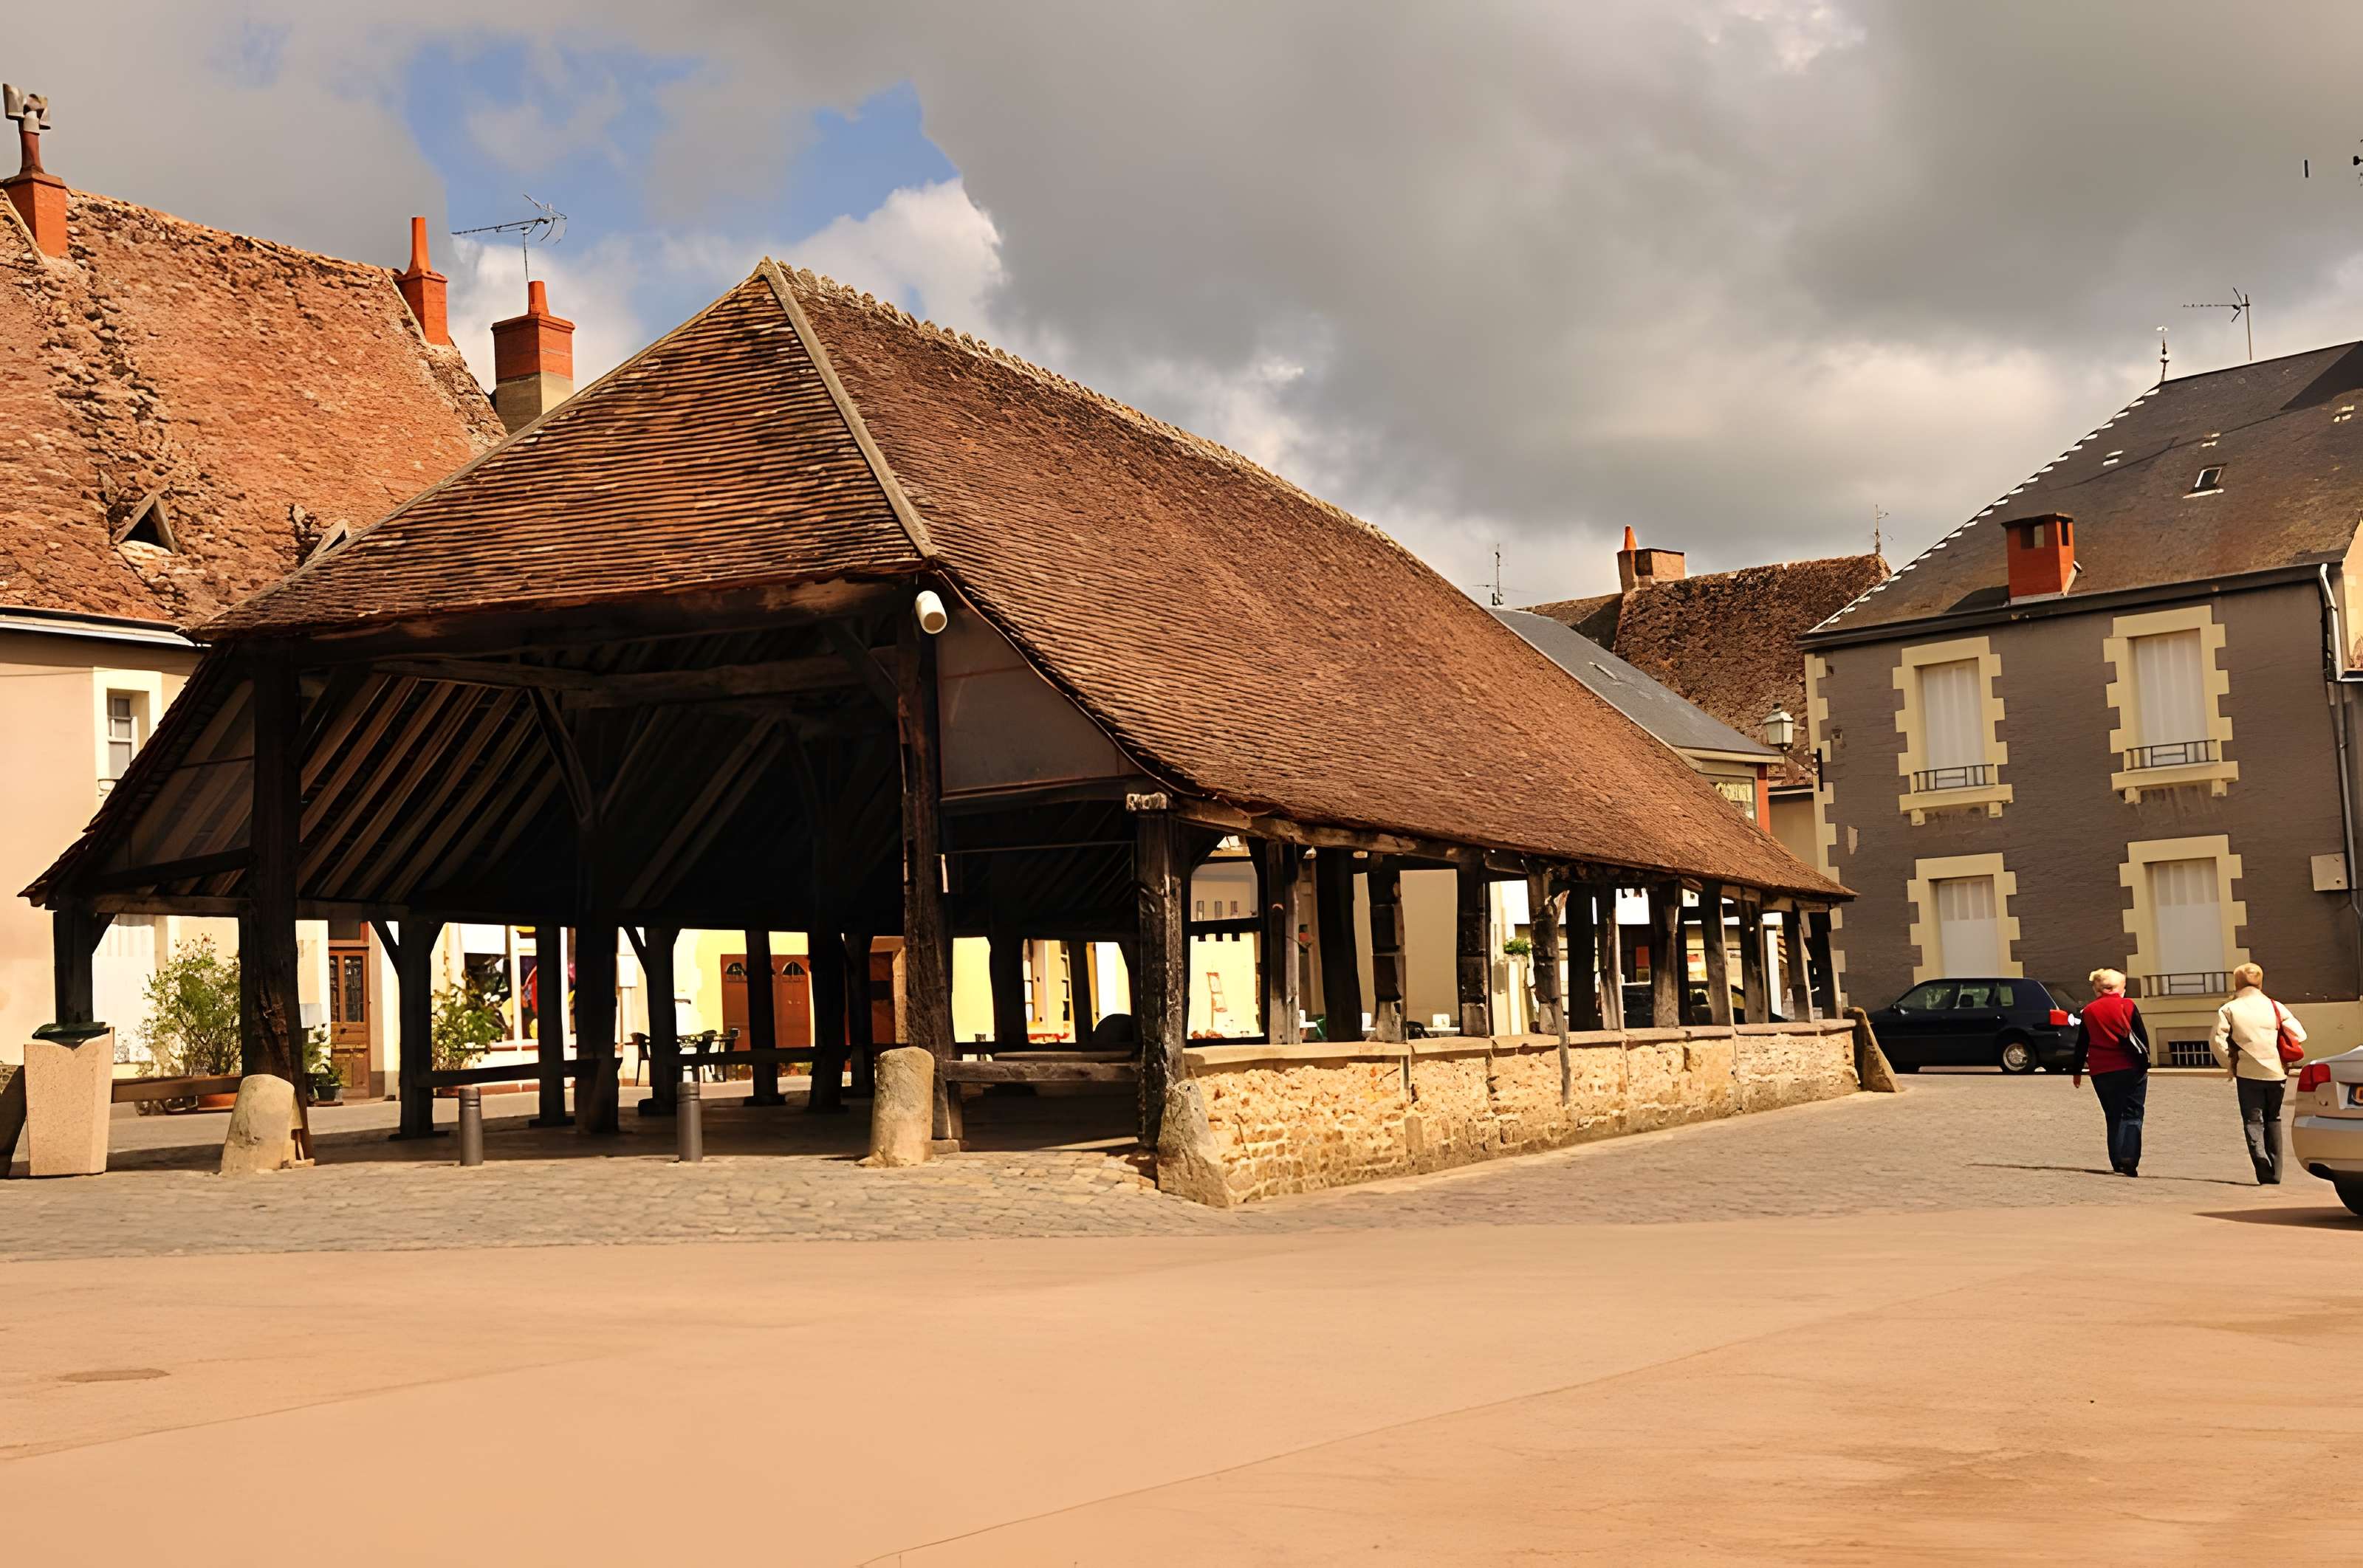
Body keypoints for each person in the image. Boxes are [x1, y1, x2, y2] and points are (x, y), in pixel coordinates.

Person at [2209, 963, 2305, 1185]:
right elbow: (2299, 1034)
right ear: (2261, 982)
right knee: (2274, 1118)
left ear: (2237, 983)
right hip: (2276, 1072)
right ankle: (2276, 1172)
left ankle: (2262, 1166)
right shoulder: (2276, 1006)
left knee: (2253, 1121)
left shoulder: (2230, 1009)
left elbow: (2217, 1041)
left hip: (2248, 1071)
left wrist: (2231, 1064)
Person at [2071, 968, 2150, 1177]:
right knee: (2133, 1113)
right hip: (2130, 1067)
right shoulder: (2128, 1005)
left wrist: (2077, 1071)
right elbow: (2141, 1036)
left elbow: (2082, 1044)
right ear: (2119, 988)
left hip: (2101, 1071)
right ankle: (2129, 1158)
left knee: (2112, 1115)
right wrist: (2146, 1063)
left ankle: (2116, 1160)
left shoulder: (2088, 1011)